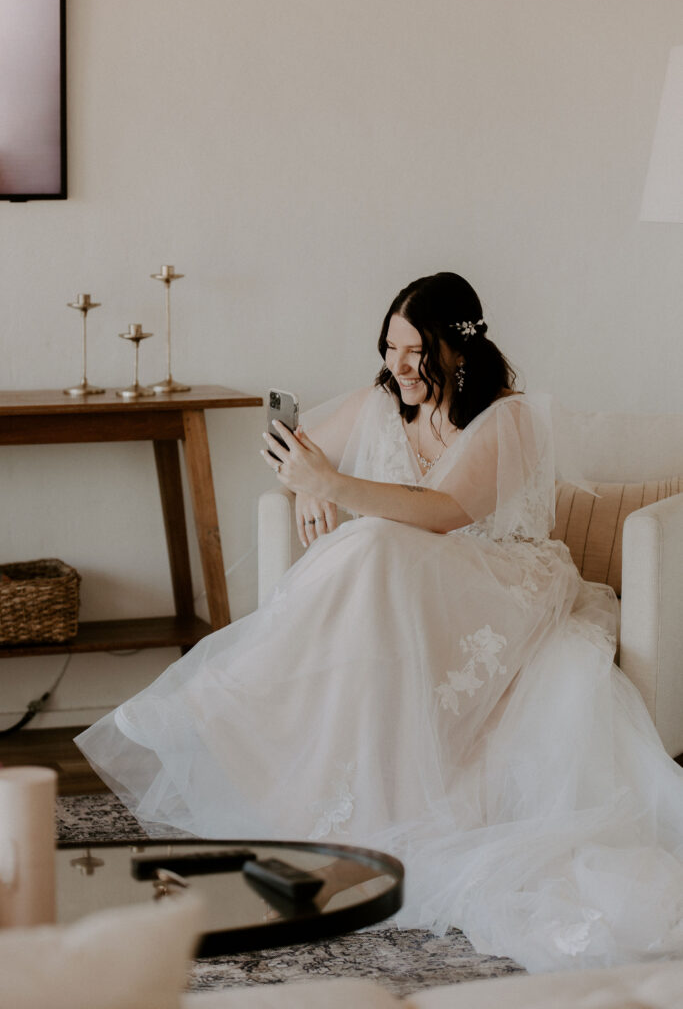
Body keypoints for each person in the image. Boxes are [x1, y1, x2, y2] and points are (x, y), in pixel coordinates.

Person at [76, 272, 683, 974]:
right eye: (389, 347)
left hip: (504, 583)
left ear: (456, 350)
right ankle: (329, 814)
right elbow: (290, 446)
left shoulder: (507, 418)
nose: (396, 366)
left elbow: (445, 512)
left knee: (369, 542)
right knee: (369, 551)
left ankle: (228, 697)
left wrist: (330, 487)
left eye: (413, 350)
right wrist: (303, 484)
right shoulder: (379, 401)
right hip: (409, 582)